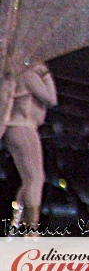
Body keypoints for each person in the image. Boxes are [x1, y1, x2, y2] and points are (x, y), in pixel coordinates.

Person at [1, 62, 57, 229]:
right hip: (23, 127)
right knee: (35, 178)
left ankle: (17, 221)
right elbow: (51, 99)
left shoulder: (14, 73)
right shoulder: (28, 75)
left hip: (16, 128)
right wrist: (46, 73)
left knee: (29, 179)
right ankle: (31, 226)